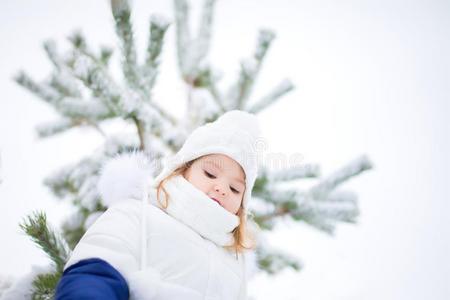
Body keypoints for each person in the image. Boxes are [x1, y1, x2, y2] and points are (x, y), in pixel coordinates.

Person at [55, 110, 261, 299]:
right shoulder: (137, 213)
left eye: (235, 189)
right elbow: (97, 273)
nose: (222, 188)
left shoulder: (235, 263)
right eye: (210, 174)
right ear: (182, 170)